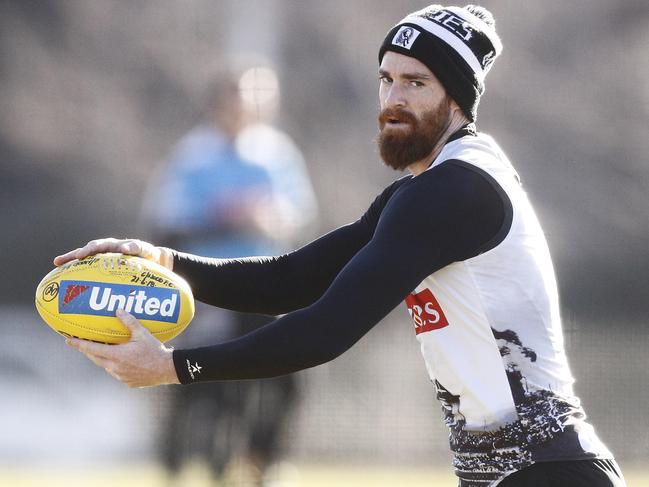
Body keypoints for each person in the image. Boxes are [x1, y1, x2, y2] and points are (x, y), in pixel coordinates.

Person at [56, 5, 626, 487]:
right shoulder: (425, 190)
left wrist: (175, 368)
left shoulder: (454, 191)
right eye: (387, 78)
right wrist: (162, 259)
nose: (394, 98)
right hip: (513, 473)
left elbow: (325, 328)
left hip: (549, 472)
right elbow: (294, 278)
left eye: (417, 82)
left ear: (458, 99)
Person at [141, 70, 316, 484]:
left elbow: (299, 214)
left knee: (289, 371)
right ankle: (183, 457)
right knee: (207, 381)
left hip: (266, 284)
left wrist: (268, 217)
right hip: (206, 290)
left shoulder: (278, 154)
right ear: (217, 103)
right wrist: (224, 217)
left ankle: (263, 458)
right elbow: (166, 222)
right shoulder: (191, 157)